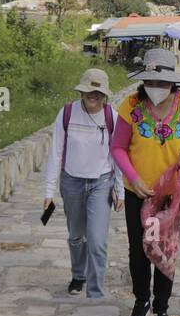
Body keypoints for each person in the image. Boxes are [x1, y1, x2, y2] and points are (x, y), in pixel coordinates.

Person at [110, 47, 180, 316]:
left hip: (170, 194)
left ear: (173, 83)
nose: (156, 89)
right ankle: (141, 302)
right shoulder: (130, 107)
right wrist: (134, 178)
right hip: (138, 191)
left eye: (162, 83)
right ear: (143, 81)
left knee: (166, 249)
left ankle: (161, 311)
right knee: (139, 250)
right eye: (151, 83)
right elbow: (117, 147)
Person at [42, 68, 123, 297]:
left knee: (97, 239)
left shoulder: (112, 117)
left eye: (98, 92)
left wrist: (120, 190)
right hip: (72, 182)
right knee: (76, 235)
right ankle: (79, 275)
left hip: (101, 182)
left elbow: (117, 154)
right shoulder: (67, 113)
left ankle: (96, 290)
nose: (93, 96)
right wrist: (49, 191)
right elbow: (56, 153)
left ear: (104, 94)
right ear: (82, 91)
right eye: (89, 91)